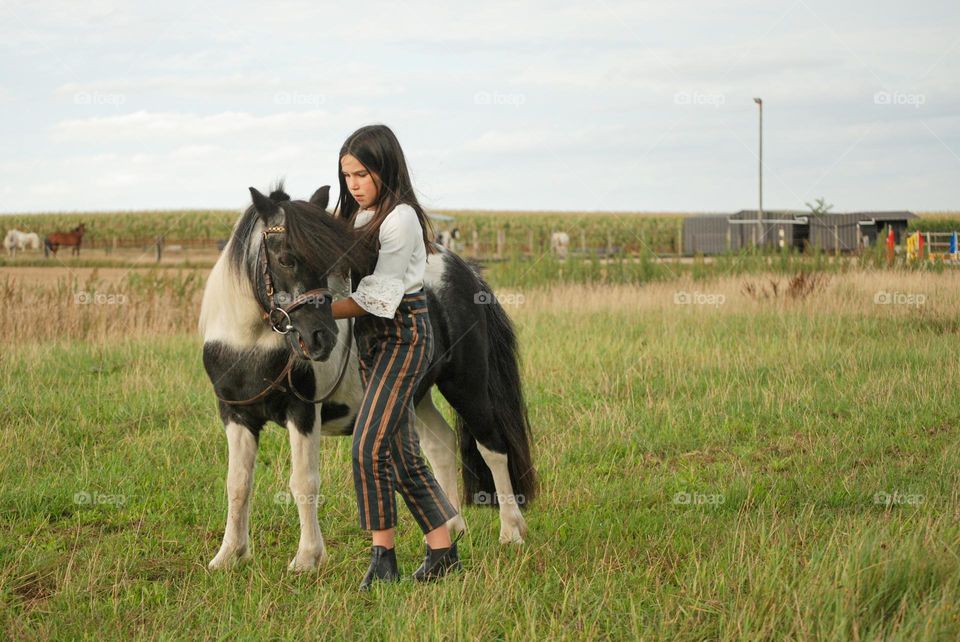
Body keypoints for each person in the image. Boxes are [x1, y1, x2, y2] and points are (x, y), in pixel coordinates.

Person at [330, 124, 462, 591]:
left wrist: (319, 310)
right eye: (347, 175)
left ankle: (383, 557)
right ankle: (444, 551)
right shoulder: (356, 219)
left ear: (385, 169)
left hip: (403, 334)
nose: (354, 184)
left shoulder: (400, 218)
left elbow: (380, 297)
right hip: (370, 341)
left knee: (368, 446)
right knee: (403, 452)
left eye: (362, 174)